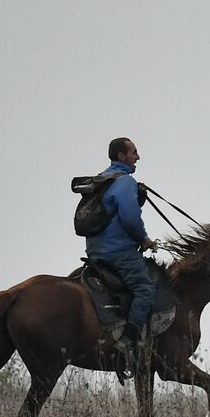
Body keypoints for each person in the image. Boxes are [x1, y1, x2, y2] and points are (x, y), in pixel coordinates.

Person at [86, 137, 156, 363]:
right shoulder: (124, 182)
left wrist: (139, 199)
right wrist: (144, 239)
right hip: (118, 251)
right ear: (121, 156)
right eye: (134, 152)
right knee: (145, 289)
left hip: (95, 250)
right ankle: (126, 343)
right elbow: (129, 218)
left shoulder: (103, 179)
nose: (138, 157)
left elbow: (112, 212)